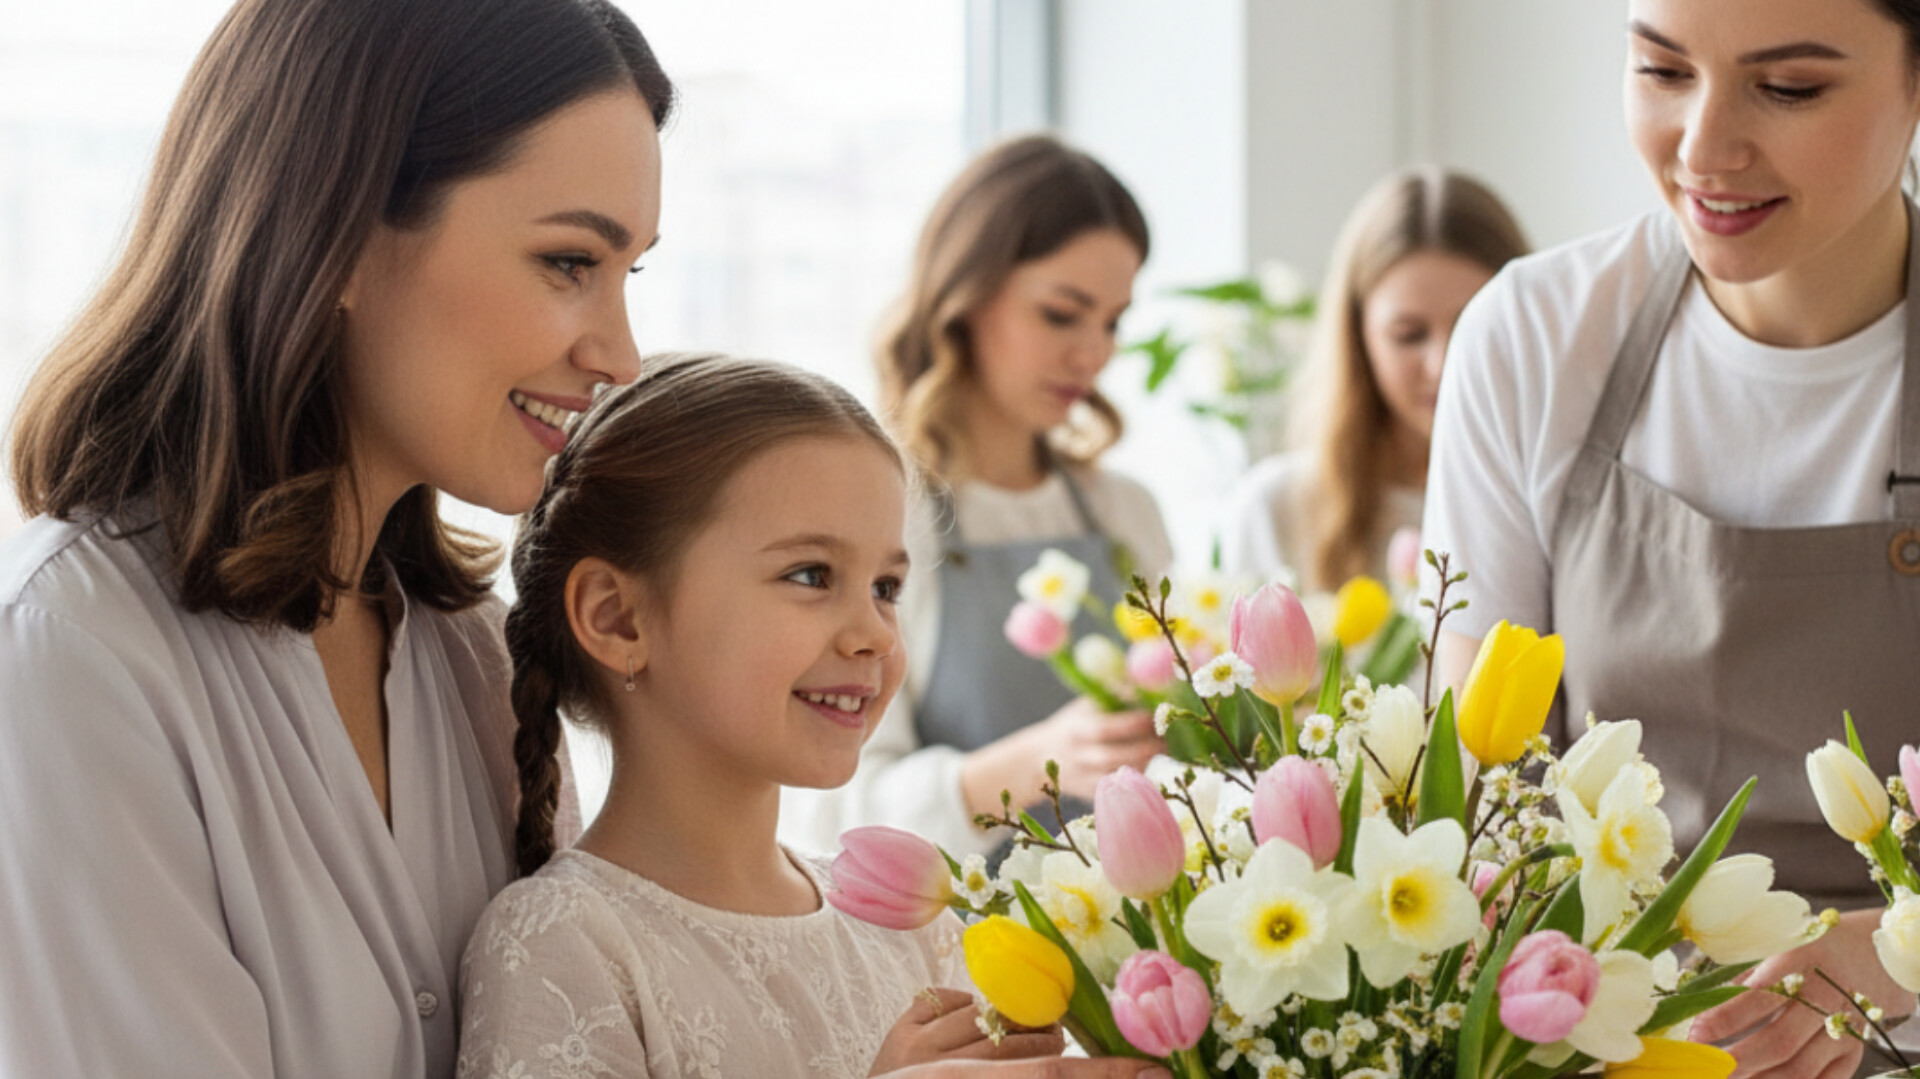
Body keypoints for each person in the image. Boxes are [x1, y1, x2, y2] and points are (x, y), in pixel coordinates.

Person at [0, 3, 1163, 1077]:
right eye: (570, 262)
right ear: (337, 233)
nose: (617, 352)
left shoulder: (470, 656)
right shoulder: (79, 657)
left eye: (628, 272)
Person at [1423, 1, 1920, 1075]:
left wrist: (1893, 956)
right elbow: (1475, 797)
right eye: (1661, 70)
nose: (1703, 149)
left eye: (1788, 88)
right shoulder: (1534, 337)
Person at [459, 353, 1076, 1076]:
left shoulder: (910, 924)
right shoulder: (564, 943)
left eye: (885, 587)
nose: (876, 634)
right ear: (617, 617)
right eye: (811, 575)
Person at [782, 136, 1173, 861]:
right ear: (964, 297)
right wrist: (1025, 769)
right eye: (1062, 313)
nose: (1093, 353)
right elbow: (824, 807)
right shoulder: (881, 512)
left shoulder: (1125, 513)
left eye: (1112, 321)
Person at [1219, 168, 1528, 593]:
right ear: (1357, 336)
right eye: (1408, 335)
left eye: (1471, 329)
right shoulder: (1277, 510)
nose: (1442, 365)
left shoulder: (1555, 504)